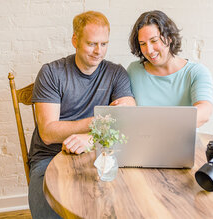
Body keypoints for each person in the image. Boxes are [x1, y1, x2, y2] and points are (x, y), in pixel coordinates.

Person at [28, 11, 135, 219]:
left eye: (104, 44)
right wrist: (98, 122)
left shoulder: (116, 73)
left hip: (99, 152)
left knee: (124, 203)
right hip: (50, 156)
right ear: (75, 40)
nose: (99, 51)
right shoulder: (51, 73)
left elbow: (127, 118)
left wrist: (92, 139)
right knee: (50, 212)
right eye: (92, 44)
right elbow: (49, 133)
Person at [127, 10, 213, 127]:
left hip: (182, 142)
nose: (149, 50)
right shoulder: (134, 70)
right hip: (144, 141)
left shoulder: (196, 72)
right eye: (143, 44)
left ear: (169, 37)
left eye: (154, 41)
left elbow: (205, 112)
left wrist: (163, 123)